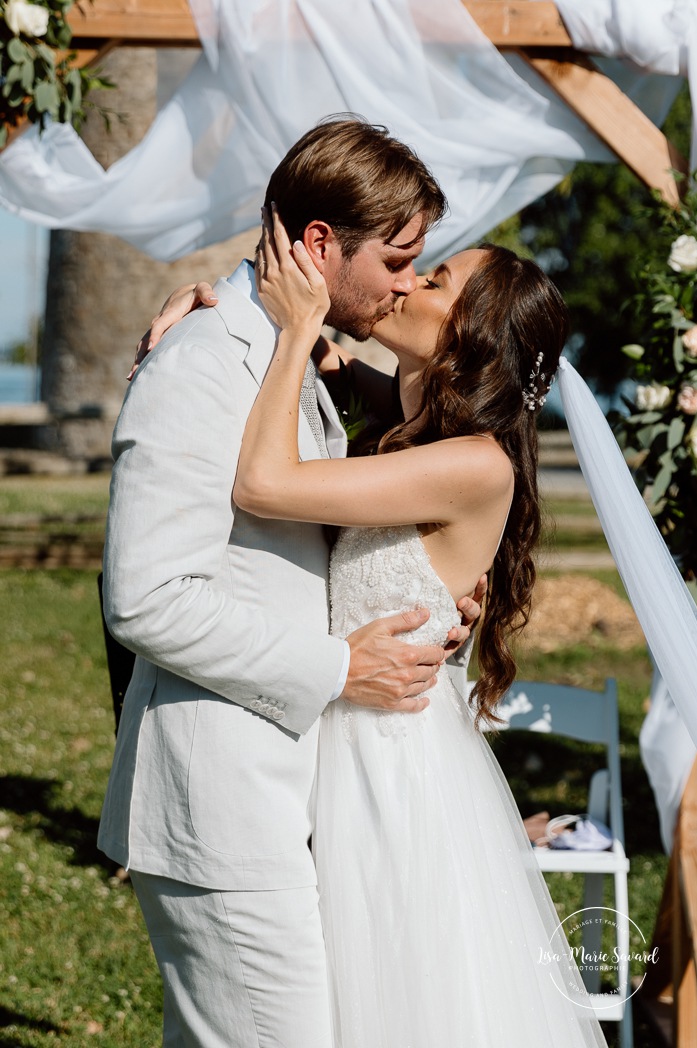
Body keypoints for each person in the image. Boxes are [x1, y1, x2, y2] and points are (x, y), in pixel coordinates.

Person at [150, 209, 607, 1045]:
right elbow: (325, 355)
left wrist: (291, 334)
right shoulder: (410, 428)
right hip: (335, 745)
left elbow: (262, 483)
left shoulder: (471, 464)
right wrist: (220, 304)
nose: (406, 280)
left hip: (394, 774)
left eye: (434, 281)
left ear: (470, 339)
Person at [97, 117, 482, 1048]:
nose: (403, 285)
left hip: (281, 801)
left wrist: (425, 606)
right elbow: (145, 596)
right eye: (396, 259)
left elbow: (292, 555)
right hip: (219, 804)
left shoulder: (289, 361)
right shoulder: (201, 363)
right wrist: (334, 667)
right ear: (318, 244)